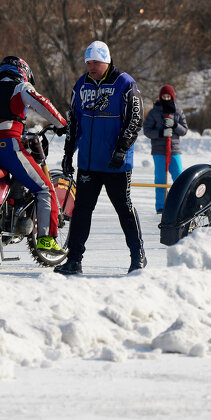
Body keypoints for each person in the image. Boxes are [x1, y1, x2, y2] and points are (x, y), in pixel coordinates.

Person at [0, 56, 68, 266]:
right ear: (22, 72)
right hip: (10, 149)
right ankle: (46, 239)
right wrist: (62, 123)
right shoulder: (21, 87)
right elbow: (43, 105)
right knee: (44, 188)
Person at [56, 41, 146, 275]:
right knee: (81, 210)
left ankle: (138, 256)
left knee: (123, 208)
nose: (91, 67)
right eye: (88, 63)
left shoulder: (125, 83)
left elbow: (135, 120)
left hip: (116, 163)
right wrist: (68, 153)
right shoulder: (81, 84)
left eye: (95, 62)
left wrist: (122, 149)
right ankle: (74, 260)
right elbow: (74, 122)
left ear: (106, 61)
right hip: (88, 163)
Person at [142, 84, 189, 213]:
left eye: (168, 96)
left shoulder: (178, 111)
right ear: (160, 97)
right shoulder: (154, 112)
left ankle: (180, 204)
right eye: (164, 96)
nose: (166, 98)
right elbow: (147, 130)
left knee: (179, 177)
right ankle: (161, 206)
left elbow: (184, 131)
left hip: (174, 150)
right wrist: (161, 133)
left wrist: (175, 125)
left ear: (172, 97)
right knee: (160, 180)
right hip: (159, 151)